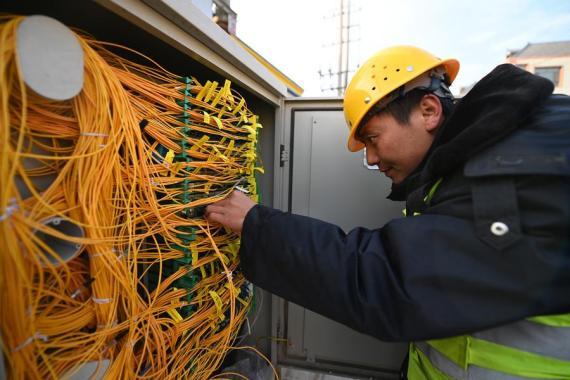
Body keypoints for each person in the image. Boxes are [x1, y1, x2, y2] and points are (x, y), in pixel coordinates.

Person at [205, 45, 570, 378]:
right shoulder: (481, 157)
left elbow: (390, 279)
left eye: (373, 139)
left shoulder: (522, 162)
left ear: (428, 110)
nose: (371, 158)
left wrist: (257, 224)